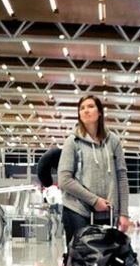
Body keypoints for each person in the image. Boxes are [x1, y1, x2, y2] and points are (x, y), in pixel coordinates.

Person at [56, 94, 134, 247]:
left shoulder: (113, 142)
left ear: (99, 112)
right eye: (82, 108)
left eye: (90, 106)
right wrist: (94, 200)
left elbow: (121, 178)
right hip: (77, 209)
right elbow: (64, 180)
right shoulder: (72, 142)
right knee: (81, 259)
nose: (86, 111)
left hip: (107, 211)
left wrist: (123, 213)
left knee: (106, 261)